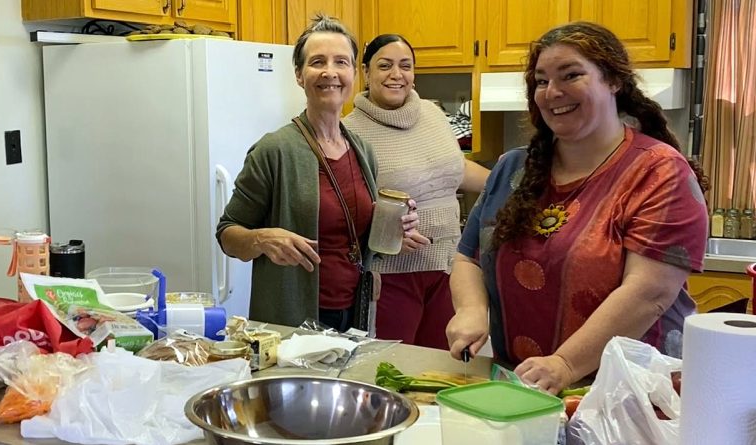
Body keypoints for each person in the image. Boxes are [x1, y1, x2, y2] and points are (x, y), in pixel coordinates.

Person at [445, 22, 709, 394]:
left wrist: (565, 364)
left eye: (571, 75)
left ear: (613, 81)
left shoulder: (659, 172)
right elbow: (467, 258)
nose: (552, 92)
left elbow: (649, 293)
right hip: (524, 388)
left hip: (629, 395)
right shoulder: (513, 169)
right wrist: (472, 310)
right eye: (540, 81)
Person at [216, 15, 418, 332]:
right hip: (294, 320)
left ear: (354, 73)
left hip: (355, 315)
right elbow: (228, 234)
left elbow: (354, 238)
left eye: (341, 62)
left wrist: (394, 230)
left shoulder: (362, 151)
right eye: (317, 62)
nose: (330, 72)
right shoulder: (274, 151)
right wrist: (262, 238)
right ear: (299, 74)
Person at [343, 34, 489, 349]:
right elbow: (344, 207)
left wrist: (509, 185)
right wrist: (384, 233)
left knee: (440, 369)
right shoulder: (351, 131)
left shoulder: (434, 115)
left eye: (405, 66)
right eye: (385, 66)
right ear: (366, 72)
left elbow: (456, 170)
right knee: (394, 369)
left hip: (450, 266)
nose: (397, 74)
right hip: (392, 275)